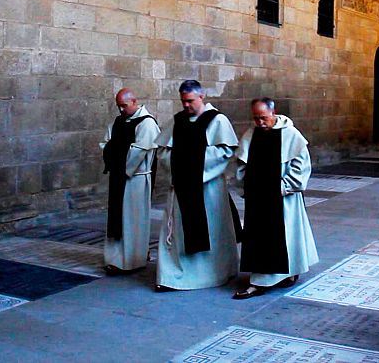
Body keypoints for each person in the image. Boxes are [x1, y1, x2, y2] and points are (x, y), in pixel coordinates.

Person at [154, 80, 241, 290]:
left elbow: (226, 151)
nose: (186, 105)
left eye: (190, 101)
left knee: (211, 229)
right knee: (180, 232)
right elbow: (163, 151)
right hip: (182, 187)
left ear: (201, 97)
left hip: (207, 188)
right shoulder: (178, 121)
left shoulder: (217, 121)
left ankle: (214, 273)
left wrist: (191, 162)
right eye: (183, 101)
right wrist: (180, 164)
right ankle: (174, 276)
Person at [233, 97, 318, 299]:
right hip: (257, 199)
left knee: (285, 237)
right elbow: (241, 163)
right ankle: (260, 279)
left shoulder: (290, 135)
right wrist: (246, 185)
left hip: (282, 199)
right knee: (258, 238)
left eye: (263, 118)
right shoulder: (251, 134)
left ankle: (282, 275)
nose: (260, 123)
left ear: (273, 113)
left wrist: (283, 186)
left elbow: (301, 165)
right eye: (256, 119)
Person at [99, 88, 161, 274]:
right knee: (118, 219)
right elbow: (106, 144)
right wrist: (116, 152)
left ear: (134, 102)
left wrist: (120, 156)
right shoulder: (118, 121)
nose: (120, 110)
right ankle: (116, 258)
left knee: (133, 220)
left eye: (124, 106)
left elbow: (140, 151)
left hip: (135, 178)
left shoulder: (147, 124)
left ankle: (134, 258)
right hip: (119, 176)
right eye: (118, 106)